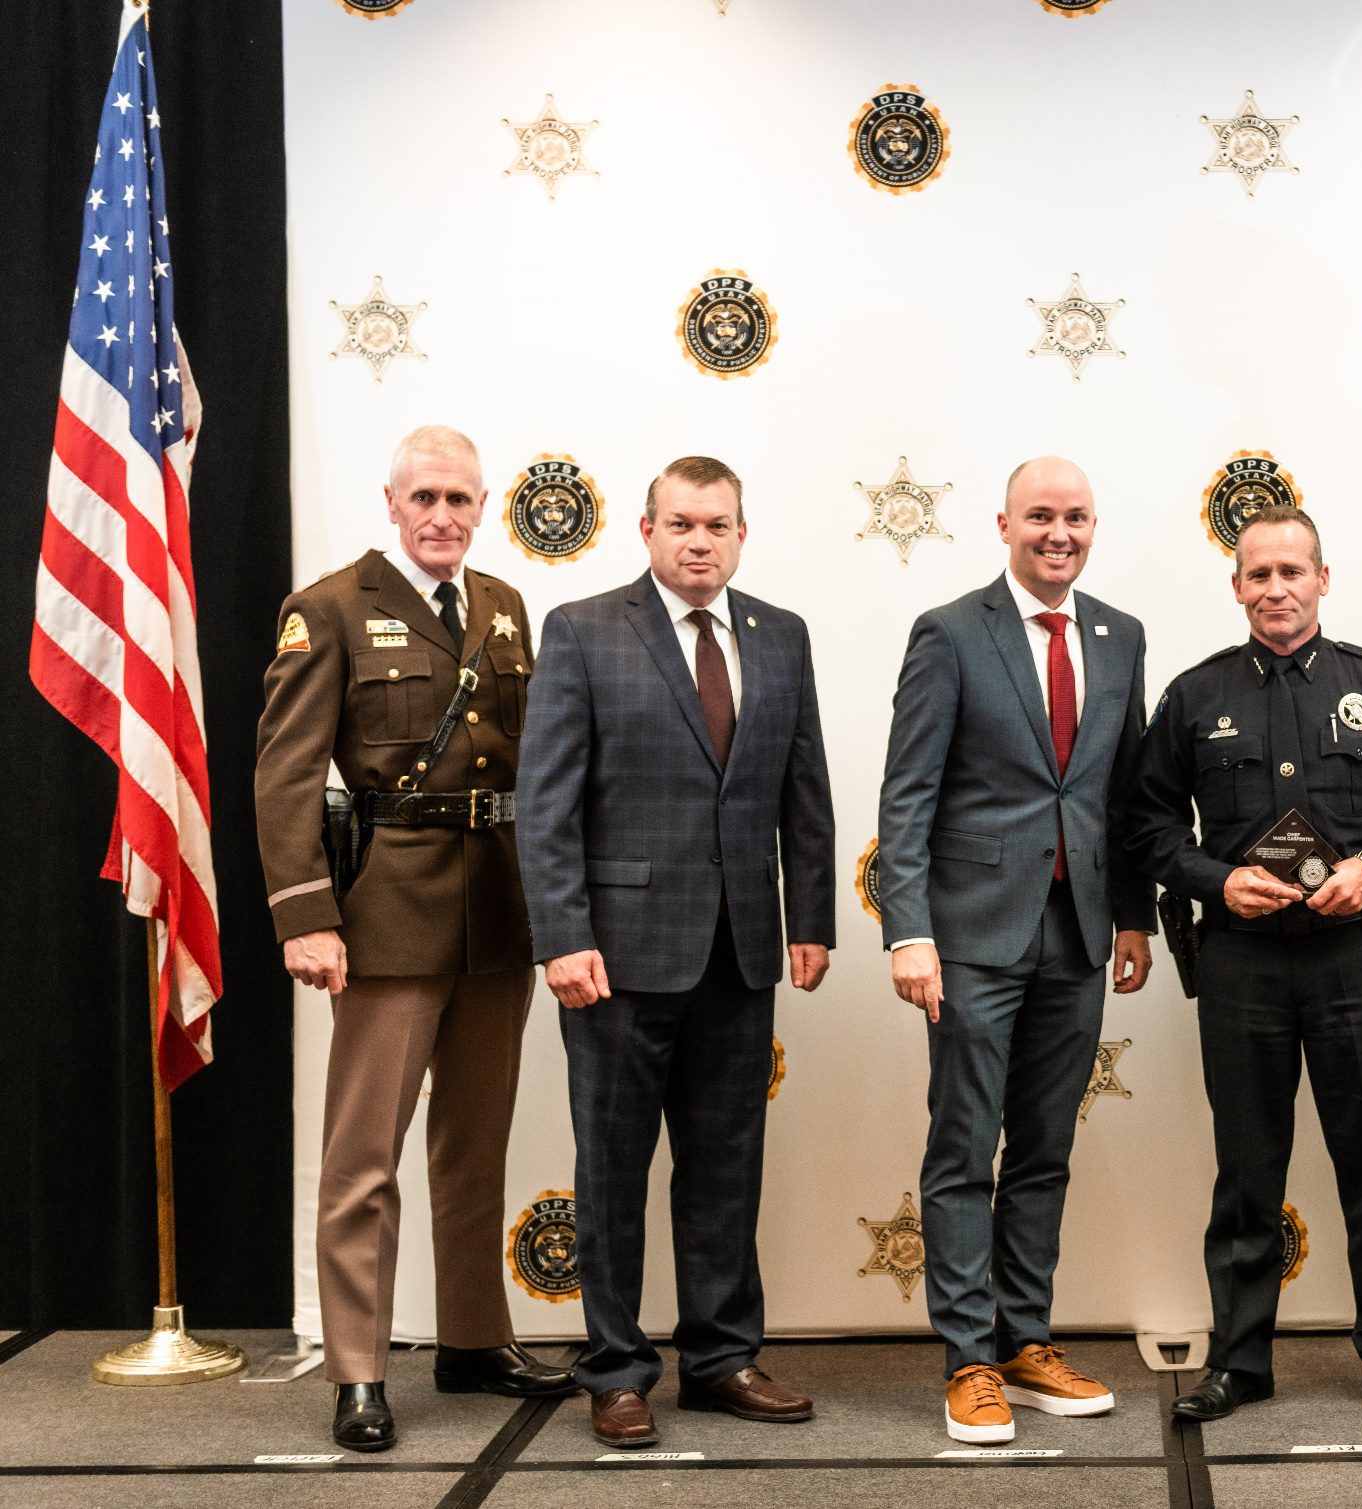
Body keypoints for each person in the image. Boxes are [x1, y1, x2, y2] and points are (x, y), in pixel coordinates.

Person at [253, 424, 574, 1452]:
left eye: (461, 500)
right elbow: (287, 771)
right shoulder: (332, 607)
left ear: (483, 509)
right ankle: (356, 1367)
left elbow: (532, 768)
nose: (443, 517)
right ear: (391, 504)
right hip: (386, 913)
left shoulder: (502, 609)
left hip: (497, 907)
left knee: (475, 1145)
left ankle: (474, 1340)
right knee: (363, 1158)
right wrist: (305, 912)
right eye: (424, 498)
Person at [1119, 505, 1362, 1424]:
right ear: (1236, 587)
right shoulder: (1195, 697)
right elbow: (1147, 823)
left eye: (1292, 571)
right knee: (1247, 1168)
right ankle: (1238, 1361)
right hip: (1240, 964)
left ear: (1322, 578)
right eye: (1258, 574)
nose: (1276, 588)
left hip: (1357, 957)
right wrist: (1214, 880)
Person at [516, 455, 835, 1449]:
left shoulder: (780, 637)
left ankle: (722, 1358)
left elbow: (803, 792)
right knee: (611, 1171)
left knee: (724, 1170)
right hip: (613, 961)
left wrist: (810, 919)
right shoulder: (583, 630)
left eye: (718, 525)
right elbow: (548, 802)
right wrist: (562, 937)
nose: (700, 541)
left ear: (741, 535)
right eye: (682, 524)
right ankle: (615, 1371)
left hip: (740, 954)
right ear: (645, 532)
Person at [876, 456, 1157, 1444]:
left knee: (1044, 1150)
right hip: (967, 941)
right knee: (963, 1148)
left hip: (1077, 934)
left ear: (1093, 526)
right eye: (1040, 515)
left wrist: (1133, 916)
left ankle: (1023, 1340)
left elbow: (1122, 799)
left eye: (1075, 517)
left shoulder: (1120, 638)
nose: (1058, 533)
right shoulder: (950, 633)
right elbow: (905, 796)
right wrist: (907, 931)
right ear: (1003, 524)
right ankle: (967, 1362)